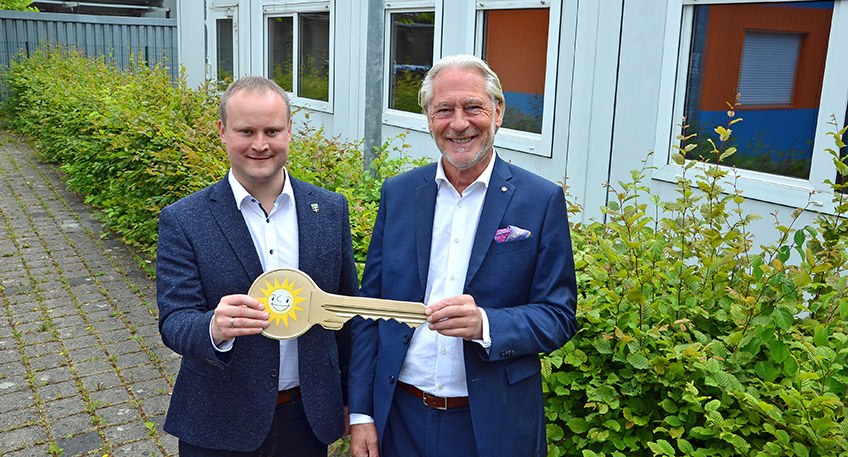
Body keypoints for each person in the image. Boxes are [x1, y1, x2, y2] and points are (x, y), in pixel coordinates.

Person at [348, 55, 579, 457]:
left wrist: (485, 324)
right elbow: (370, 310)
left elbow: (559, 315)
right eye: (444, 110)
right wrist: (362, 413)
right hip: (399, 417)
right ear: (428, 117)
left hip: (492, 424)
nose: (458, 123)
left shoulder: (540, 201)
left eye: (473, 107)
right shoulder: (398, 193)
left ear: (498, 112)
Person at [156, 76, 357, 456]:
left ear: (289, 130)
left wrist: (350, 400)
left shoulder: (330, 210)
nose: (260, 144)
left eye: (272, 131)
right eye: (246, 131)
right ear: (222, 132)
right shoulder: (184, 219)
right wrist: (214, 327)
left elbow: (345, 317)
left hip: (307, 419)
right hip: (219, 421)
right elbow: (174, 321)